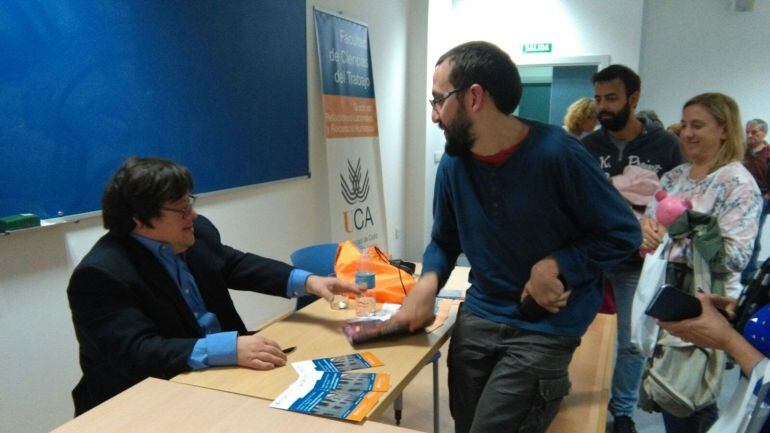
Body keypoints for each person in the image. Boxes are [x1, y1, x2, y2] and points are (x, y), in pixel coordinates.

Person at [392, 41, 641, 433]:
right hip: (481, 314)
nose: (434, 114)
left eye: (439, 100)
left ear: (474, 97)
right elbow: (444, 240)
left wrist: (559, 264)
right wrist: (427, 283)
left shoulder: (559, 155)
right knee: (468, 424)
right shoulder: (454, 165)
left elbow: (624, 233)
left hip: (543, 327)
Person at [67, 157, 359, 415]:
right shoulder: (101, 275)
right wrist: (227, 348)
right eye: (181, 209)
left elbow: (234, 264)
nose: (192, 216)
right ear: (140, 220)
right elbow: (137, 353)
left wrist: (309, 281)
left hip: (222, 374)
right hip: (146, 401)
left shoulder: (194, 233)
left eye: (189, 203)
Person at [641, 93, 762, 433]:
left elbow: (736, 257)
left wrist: (688, 228)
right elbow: (652, 224)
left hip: (706, 300)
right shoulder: (675, 176)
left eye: (698, 125)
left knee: (690, 393)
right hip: (666, 293)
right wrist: (647, 232)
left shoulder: (737, 183)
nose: (688, 133)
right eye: (685, 125)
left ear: (724, 130)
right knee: (668, 389)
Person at [582, 64, 684, 433]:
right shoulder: (588, 146)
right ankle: (577, 396)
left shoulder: (666, 146)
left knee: (631, 340)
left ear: (634, 99)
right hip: (591, 257)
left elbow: (680, 201)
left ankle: (622, 411)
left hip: (635, 263)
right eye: (598, 99)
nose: (603, 107)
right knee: (579, 331)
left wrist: (659, 228)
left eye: (611, 98)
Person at [741, 118, 770, 284]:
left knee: (753, 237)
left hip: (760, 200)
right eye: (747, 132)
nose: (750, 135)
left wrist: (767, 198)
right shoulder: (742, 151)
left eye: (754, 132)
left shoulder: (768, 153)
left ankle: (748, 276)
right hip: (740, 199)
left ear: (763, 133)